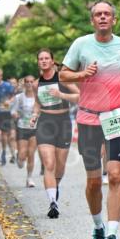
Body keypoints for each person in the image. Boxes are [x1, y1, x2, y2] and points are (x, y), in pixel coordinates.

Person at [59, 0, 120, 239]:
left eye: (107, 14)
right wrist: (82, 75)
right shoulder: (80, 45)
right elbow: (62, 75)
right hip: (88, 118)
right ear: (92, 21)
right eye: (98, 14)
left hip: (116, 115)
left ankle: (113, 236)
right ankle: (98, 228)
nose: (103, 17)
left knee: (115, 176)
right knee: (94, 181)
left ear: (114, 20)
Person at [33, 48, 79, 218]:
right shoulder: (36, 83)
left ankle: (55, 187)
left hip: (63, 123)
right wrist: (34, 115)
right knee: (49, 164)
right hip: (45, 122)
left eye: (47, 58)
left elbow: (79, 96)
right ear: (38, 62)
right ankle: (53, 202)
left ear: (52, 61)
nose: (44, 61)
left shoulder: (62, 78)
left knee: (59, 167)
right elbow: (37, 103)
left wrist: (61, 94)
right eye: (41, 59)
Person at [10, 75, 39, 187]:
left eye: (32, 82)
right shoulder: (19, 97)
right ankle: (19, 157)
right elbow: (13, 110)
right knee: (23, 155)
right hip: (22, 127)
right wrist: (15, 114)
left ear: (34, 83)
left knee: (31, 153)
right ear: (24, 83)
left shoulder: (38, 97)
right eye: (27, 82)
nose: (29, 84)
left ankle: (29, 178)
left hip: (34, 128)